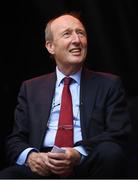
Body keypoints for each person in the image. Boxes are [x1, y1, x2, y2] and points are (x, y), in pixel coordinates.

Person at [0, 12, 131, 178]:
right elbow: (15, 139)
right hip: (43, 164)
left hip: (86, 162)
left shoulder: (108, 84)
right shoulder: (31, 88)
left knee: (111, 152)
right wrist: (31, 157)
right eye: (67, 34)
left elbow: (118, 133)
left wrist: (77, 154)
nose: (77, 40)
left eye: (81, 33)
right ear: (50, 46)